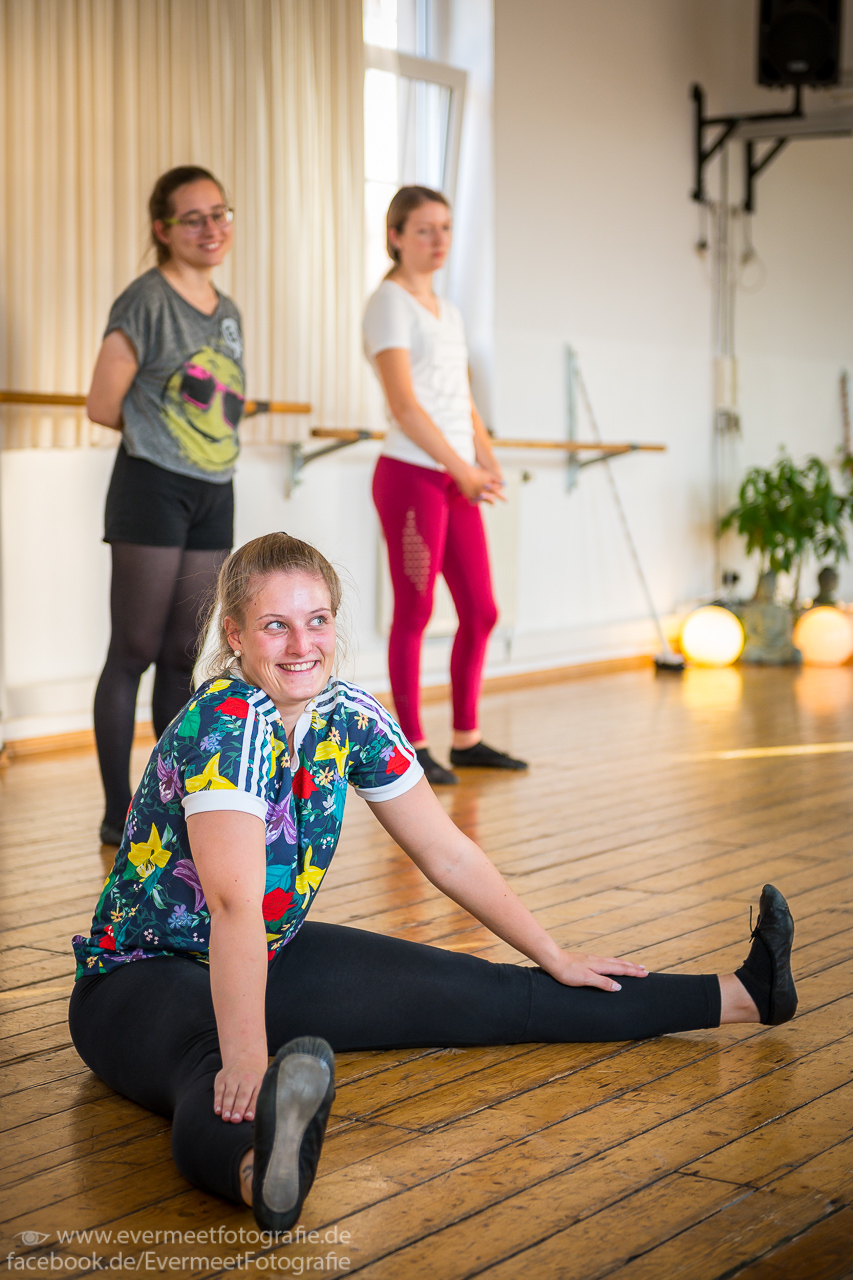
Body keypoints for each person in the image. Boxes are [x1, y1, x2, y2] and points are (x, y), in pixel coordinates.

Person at [69, 532, 797, 1232]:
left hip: (268, 954)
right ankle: (262, 1168)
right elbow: (233, 905)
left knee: (495, 993)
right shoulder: (225, 725)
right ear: (234, 635)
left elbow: (446, 855)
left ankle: (743, 994)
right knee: (217, 1071)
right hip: (139, 977)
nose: (301, 645)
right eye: (275, 626)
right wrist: (250, 1059)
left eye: (317, 621)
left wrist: (554, 953)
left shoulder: (347, 717)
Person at [86, 165, 245, 846]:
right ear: (163, 228)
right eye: (193, 218)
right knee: (134, 649)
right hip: (151, 485)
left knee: (184, 653)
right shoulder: (144, 300)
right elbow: (102, 403)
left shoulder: (228, 310)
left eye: (220, 214)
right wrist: (165, 434)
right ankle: (115, 811)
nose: (211, 228)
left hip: (214, 490)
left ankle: (168, 802)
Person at [363, 186, 525, 786]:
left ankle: (466, 738)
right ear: (396, 236)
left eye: (446, 228)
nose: (439, 240)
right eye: (424, 229)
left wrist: (485, 456)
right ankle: (411, 744)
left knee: (481, 610)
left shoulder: (448, 311)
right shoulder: (388, 304)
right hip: (412, 475)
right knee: (416, 610)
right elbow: (405, 405)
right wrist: (460, 468)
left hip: (456, 477)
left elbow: (460, 397)